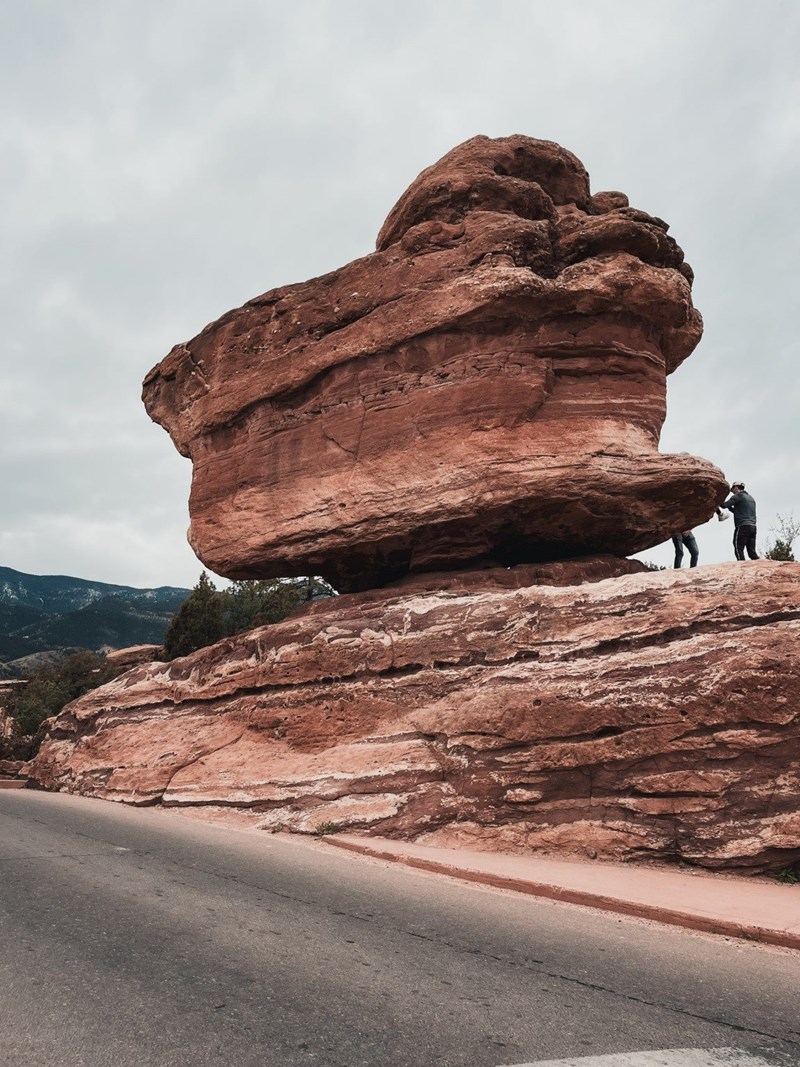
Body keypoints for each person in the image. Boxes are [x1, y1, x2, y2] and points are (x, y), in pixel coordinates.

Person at [721, 481, 759, 560]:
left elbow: (723, 505)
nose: (732, 492)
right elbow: (738, 511)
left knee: (738, 547)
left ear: (736, 487)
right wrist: (730, 507)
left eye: (732, 490)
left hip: (742, 526)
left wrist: (717, 498)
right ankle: (761, 566)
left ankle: (741, 566)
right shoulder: (751, 498)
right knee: (752, 552)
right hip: (753, 527)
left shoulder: (737, 496)